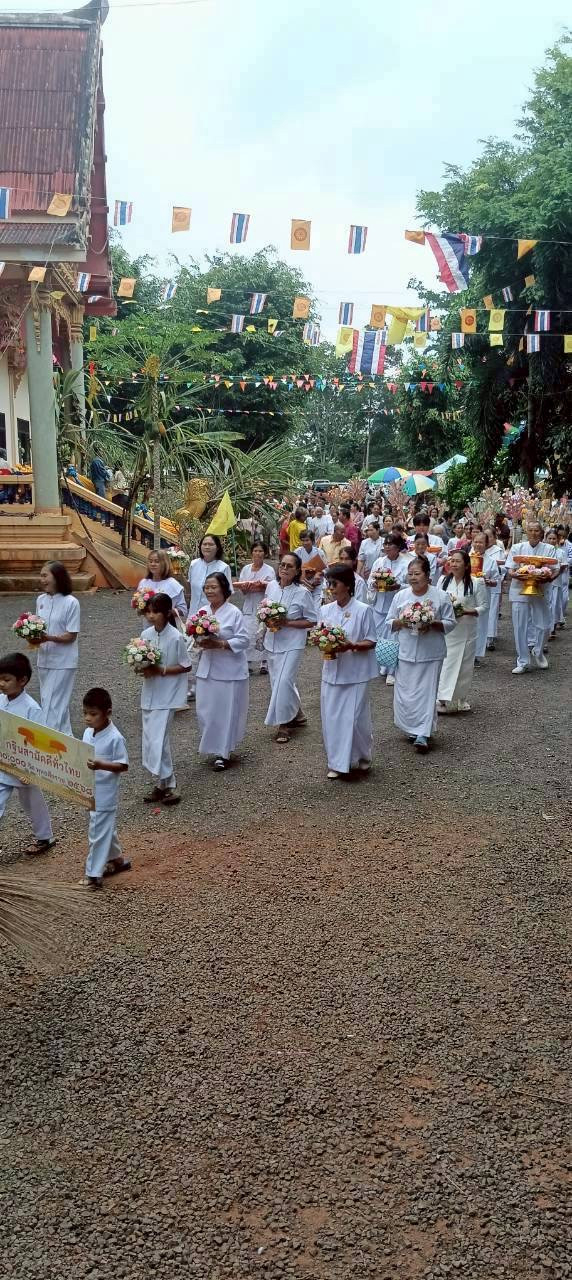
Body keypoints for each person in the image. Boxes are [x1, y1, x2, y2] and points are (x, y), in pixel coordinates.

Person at [385, 555, 456, 752]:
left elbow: (450, 623)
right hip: (406, 651)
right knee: (406, 693)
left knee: (427, 693)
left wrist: (431, 624)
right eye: (410, 574)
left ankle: (423, 733)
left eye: (417, 574)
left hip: (431, 652)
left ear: (427, 575)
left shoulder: (440, 596)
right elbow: (389, 621)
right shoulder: (401, 596)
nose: (413, 578)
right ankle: (410, 727)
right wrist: (403, 622)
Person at [318, 564, 378, 779]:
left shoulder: (363, 610)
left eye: (335, 584)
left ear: (348, 585)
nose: (331, 588)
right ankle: (337, 762)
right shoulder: (325, 610)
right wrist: (324, 643)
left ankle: (363, 755)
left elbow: (371, 640)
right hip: (332, 669)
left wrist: (351, 646)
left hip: (356, 672)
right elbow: (319, 636)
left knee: (354, 718)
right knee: (332, 717)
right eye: (329, 584)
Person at [0, 652, 56, 856]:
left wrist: (31, 769)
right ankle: (45, 837)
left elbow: (39, 742)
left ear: (22, 680)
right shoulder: (0, 700)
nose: (2, 684)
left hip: (25, 765)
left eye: (7, 679)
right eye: (0, 679)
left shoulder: (32, 708)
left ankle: (45, 837)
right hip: (3, 762)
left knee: (33, 803)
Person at [139, 593, 191, 804]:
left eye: (156, 612)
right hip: (149, 692)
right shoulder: (145, 634)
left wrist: (162, 670)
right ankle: (163, 783)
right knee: (151, 739)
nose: (151, 616)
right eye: (148, 612)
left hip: (168, 693)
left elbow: (186, 665)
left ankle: (168, 784)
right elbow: (141, 660)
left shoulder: (176, 637)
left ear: (167, 613)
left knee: (159, 738)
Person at [195, 573, 250, 770]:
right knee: (206, 710)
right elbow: (194, 637)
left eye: (213, 587)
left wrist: (221, 643)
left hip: (229, 669)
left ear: (223, 588)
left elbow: (244, 640)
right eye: (207, 587)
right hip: (207, 668)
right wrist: (198, 640)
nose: (209, 591)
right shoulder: (202, 611)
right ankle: (212, 746)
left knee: (226, 711)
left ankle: (223, 752)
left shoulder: (234, 612)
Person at [263, 553, 317, 743]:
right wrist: (266, 620)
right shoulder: (271, 587)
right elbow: (265, 610)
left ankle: (284, 724)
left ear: (296, 572)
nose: (284, 569)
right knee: (278, 681)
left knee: (284, 681)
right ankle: (298, 714)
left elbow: (312, 620)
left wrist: (288, 623)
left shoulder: (302, 593)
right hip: (272, 641)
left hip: (293, 643)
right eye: (282, 565)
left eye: (289, 566)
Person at [80, 687, 129, 891]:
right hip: (91, 790)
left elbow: (123, 765)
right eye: (85, 713)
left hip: (105, 794)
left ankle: (93, 874)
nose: (88, 719)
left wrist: (101, 765)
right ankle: (116, 859)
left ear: (107, 712)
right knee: (102, 826)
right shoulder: (88, 732)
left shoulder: (115, 738)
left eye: (93, 714)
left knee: (97, 832)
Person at [436, 550, 488, 713]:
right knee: (447, 663)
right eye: (452, 561)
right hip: (448, 630)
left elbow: (484, 606)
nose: (454, 564)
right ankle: (442, 699)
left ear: (466, 565)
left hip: (466, 629)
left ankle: (461, 698)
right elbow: (436, 602)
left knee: (465, 665)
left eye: (458, 561)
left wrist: (468, 611)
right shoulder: (443, 580)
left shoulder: (476, 582)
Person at [505, 521, 559, 674]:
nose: (534, 533)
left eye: (537, 530)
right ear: (526, 532)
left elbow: (555, 569)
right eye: (530, 530)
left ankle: (538, 650)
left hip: (541, 589)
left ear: (541, 533)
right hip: (519, 590)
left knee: (544, 624)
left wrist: (548, 578)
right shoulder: (517, 548)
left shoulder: (548, 548)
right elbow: (510, 569)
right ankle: (523, 660)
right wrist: (517, 575)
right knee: (520, 626)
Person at [35, 561, 80, 735]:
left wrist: (49, 638)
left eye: (45, 575)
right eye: (41, 576)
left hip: (63, 661)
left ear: (57, 577)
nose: (42, 579)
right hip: (44, 659)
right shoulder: (40, 600)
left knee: (54, 704)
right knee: (51, 702)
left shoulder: (71, 602)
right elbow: (38, 627)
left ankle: (48, 740)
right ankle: (66, 741)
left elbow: (71, 635)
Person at [237, 541, 276, 674]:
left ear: (265, 553)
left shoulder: (269, 570)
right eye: (255, 551)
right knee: (248, 633)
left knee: (262, 633)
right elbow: (242, 590)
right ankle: (247, 661)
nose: (258, 553)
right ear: (251, 553)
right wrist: (245, 588)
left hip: (263, 604)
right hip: (249, 605)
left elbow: (272, 588)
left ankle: (263, 663)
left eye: (260, 551)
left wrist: (262, 585)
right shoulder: (246, 569)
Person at [367, 534, 411, 642]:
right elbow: (370, 580)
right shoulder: (379, 562)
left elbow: (412, 586)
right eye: (385, 544)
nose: (387, 547)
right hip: (379, 607)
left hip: (397, 608)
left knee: (394, 641)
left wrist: (398, 586)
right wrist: (374, 584)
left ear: (398, 547)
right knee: (376, 639)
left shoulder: (407, 564)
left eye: (390, 544)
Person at [470, 530, 500, 661]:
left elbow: (496, 581)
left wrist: (488, 581)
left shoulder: (491, 561)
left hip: (483, 595)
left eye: (481, 542)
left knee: (481, 624)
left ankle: (477, 654)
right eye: (476, 541)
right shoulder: (466, 557)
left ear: (486, 544)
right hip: (467, 594)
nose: (478, 545)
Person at [188, 534, 233, 614]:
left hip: (212, 617)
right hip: (193, 614)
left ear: (217, 547)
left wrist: (222, 614)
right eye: (204, 544)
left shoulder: (223, 567)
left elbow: (227, 594)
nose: (207, 547)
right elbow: (189, 588)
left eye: (211, 544)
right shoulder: (193, 564)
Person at [136, 550, 187, 619]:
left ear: (164, 563)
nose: (153, 564)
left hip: (168, 625)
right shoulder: (143, 582)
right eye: (150, 561)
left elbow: (183, 610)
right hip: (148, 625)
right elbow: (138, 608)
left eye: (157, 561)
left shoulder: (173, 584)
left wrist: (164, 612)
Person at [484, 528, 506, 651]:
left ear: (494, 538)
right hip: (480, 584)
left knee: (492, 611)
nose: (487, 540)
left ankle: (490, 638)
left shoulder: (498, 551)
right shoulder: (477, 549)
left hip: (493, 584)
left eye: (490, 537)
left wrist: (495, 567)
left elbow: (504, 568)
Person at [296, 529, 328, 609]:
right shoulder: (297, 552)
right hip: (302, 584)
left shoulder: (319, 552)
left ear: (313, 541)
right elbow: (294, 569)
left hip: (317, 584)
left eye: (307, 540)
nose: (305, 543)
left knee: (315, 608)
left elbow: (326, 569)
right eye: (302, 540)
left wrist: (319, 574)